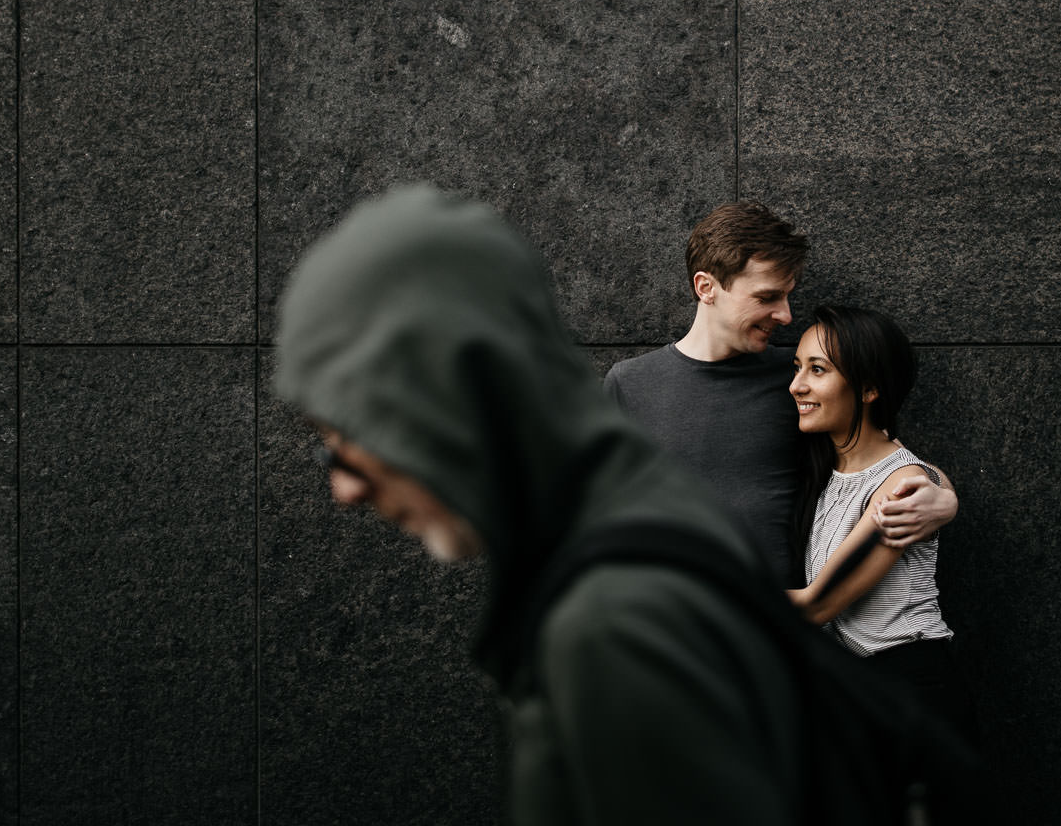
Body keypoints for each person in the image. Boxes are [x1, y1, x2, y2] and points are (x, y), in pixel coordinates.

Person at [275, 185, 803, 825]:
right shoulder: (607, 545)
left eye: (346, 442)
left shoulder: (611, 618)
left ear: (436, 405)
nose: (345, 491)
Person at [604, 201, 958, 584]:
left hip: (782, 613)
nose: (786, 315)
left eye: (787, 296)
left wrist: (944, 497)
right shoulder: (630, 383)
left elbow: (884, 455)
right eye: (767, 297)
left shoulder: (800, 379)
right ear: (706, 287)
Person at [786, 305, 976, 747]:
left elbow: (816, 606)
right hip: (860, 695)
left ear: (870, 388)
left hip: (910, 694)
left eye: (818, 369)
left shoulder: (903, 487)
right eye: (797, 367)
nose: (797, 385)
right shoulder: (829, 470)